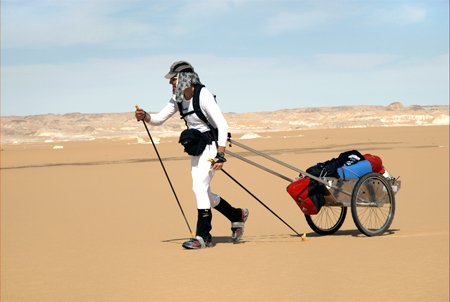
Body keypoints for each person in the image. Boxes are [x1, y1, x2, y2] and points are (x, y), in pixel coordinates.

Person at [135, 61, 249, 249]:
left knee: (199, 188)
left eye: (174, 78)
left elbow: (222, 125)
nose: (171, 82)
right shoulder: (177, 97)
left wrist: (221, 155)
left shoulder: (203, 95)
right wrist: (145, 115)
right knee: (204, 191)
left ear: (186, 78)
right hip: (197, 147)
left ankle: (203, 237)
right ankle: (237, 215)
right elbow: (158, 119)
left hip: (212, 145)